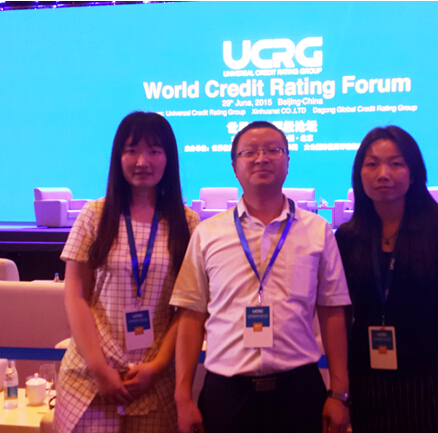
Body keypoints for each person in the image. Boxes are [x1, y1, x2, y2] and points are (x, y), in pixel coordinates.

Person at [170, 121, 351, 433]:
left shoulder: (317, 231)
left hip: (298, 391)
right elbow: (191, 316)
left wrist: (339, 393)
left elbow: (332, 312)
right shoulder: (207, 233)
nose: (262, 158)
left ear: (288, 162)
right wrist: (183, 397)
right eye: (250, 152)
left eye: (273, 150)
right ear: (234, 166)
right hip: (226, 394)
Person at [53, 111, 199, 433]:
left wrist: (157, 366)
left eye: (154, 151)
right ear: (118, 156)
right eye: (131, 150)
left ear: (168, 158)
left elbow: (188, 307)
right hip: (89, 376)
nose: (142, 161)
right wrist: (99, 368)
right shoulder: (94, 215)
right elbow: (75, 295)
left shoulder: (187, 222)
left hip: (154, 380)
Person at [335, 126, 438, 433]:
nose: (383, 174)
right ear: (359, 175)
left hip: (432, 373)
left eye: (396, 163)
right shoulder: (347, 237)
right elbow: (343, 314)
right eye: (372, 164)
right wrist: (339, 385)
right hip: (368, 376)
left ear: (413, 174)